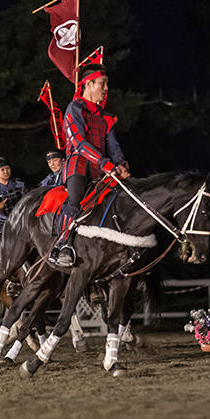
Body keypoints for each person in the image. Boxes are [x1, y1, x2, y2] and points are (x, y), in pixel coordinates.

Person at [49, 63, 130, 268]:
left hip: (103, 169)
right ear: (88, 84)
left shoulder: (106, 117)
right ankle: (62, 244)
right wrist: (105, 163)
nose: (106, 89)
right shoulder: (75, 108)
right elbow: (78, 142)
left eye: (106, 84)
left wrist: (120, 164)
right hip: (79, 165)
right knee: (75, 199)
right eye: (102, 84)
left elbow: (113, 145)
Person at [0, 157, 26, 237]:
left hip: (22, 219)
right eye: (2, 169)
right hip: (4, 223)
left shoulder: (19, 184)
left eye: (8, 168)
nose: (6, 172)